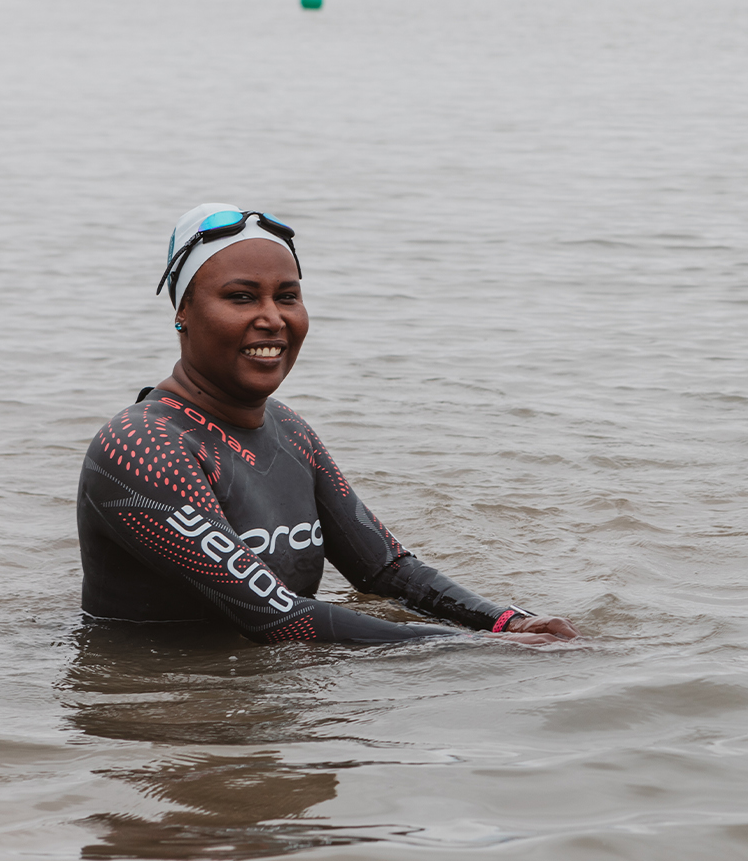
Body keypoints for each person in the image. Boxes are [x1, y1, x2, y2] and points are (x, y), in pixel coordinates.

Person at [76, 204, 580, 646]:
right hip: (164, 714)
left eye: (287, 296)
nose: (273, 318)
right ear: (183, 310)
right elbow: (278, 619)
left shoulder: (289, 430)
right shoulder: (143, 445)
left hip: (260, 704)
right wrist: (479, 652)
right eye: (242, 297)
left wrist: (509, 623)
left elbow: (387, 570)